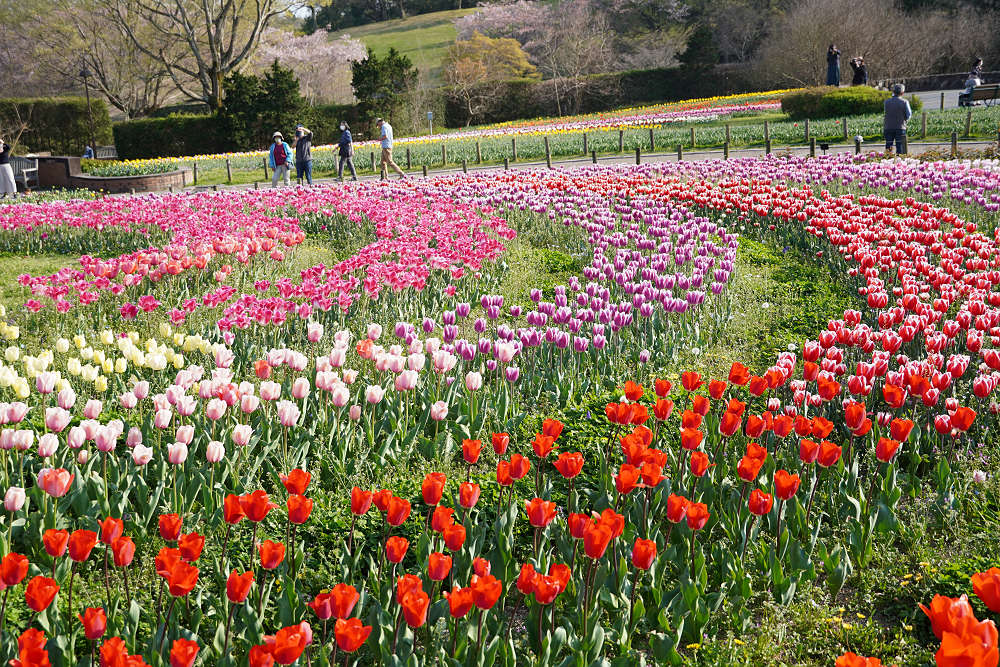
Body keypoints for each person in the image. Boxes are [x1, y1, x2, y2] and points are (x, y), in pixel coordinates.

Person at [883, 83, 912, 155]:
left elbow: (886, 112)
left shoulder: (886, 102)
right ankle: (900, 162)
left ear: (893, 91)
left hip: (888, 127)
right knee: (900, 147)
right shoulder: (905, 102)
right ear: (902, 92)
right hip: (900, 127)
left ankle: (888, 161)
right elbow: (909, 114)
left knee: (888, 146)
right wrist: (905, 120)